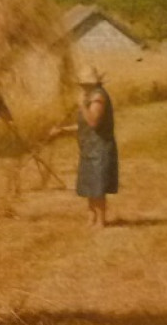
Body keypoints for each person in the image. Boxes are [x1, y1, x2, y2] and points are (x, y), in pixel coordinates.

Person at [49, 65, 119, 227]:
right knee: (89, 183)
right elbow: (84, 125)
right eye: (82, 85)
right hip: (89, 146)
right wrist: (62, 130)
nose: (82, 87)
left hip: (100, 146)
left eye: (86, 85)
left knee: (98, 184)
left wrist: (81, 105)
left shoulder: (98, 98)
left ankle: (100, 220)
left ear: (94, 84)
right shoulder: (90, 97)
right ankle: (91, 218)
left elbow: (93, 122)